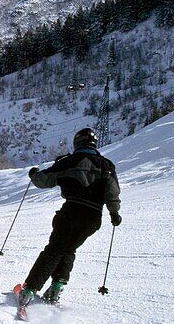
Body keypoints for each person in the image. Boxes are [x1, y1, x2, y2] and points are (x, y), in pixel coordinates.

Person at [19, 127, 121, 307]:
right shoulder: (107, 165)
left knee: (54, 250)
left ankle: (28, 291)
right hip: (93, 218)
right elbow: (112, 192)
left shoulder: (68, 161)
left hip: (71, 211)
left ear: (77, 143)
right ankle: (56, 287)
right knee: (68, 249)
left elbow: (44, 180)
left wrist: (33, 174)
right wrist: (114, 213)